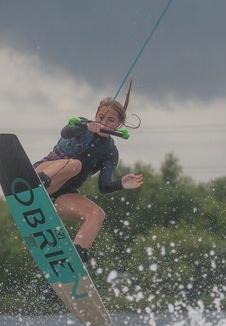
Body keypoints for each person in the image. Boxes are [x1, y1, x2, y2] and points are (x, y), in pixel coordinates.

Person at [34, 97, 144, 263]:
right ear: (95, 115)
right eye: (101, 117)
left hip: (62, 196)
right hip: (42, 174)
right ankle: (35, 187)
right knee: (75, 165)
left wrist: (121, 183)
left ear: (118, 125)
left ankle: (75, 259)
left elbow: (104, 186)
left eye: (111, 120)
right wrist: (86, 126)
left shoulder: (110, 153)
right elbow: (65, 132)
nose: (104, 122)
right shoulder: (80, 125)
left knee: (97, 214)